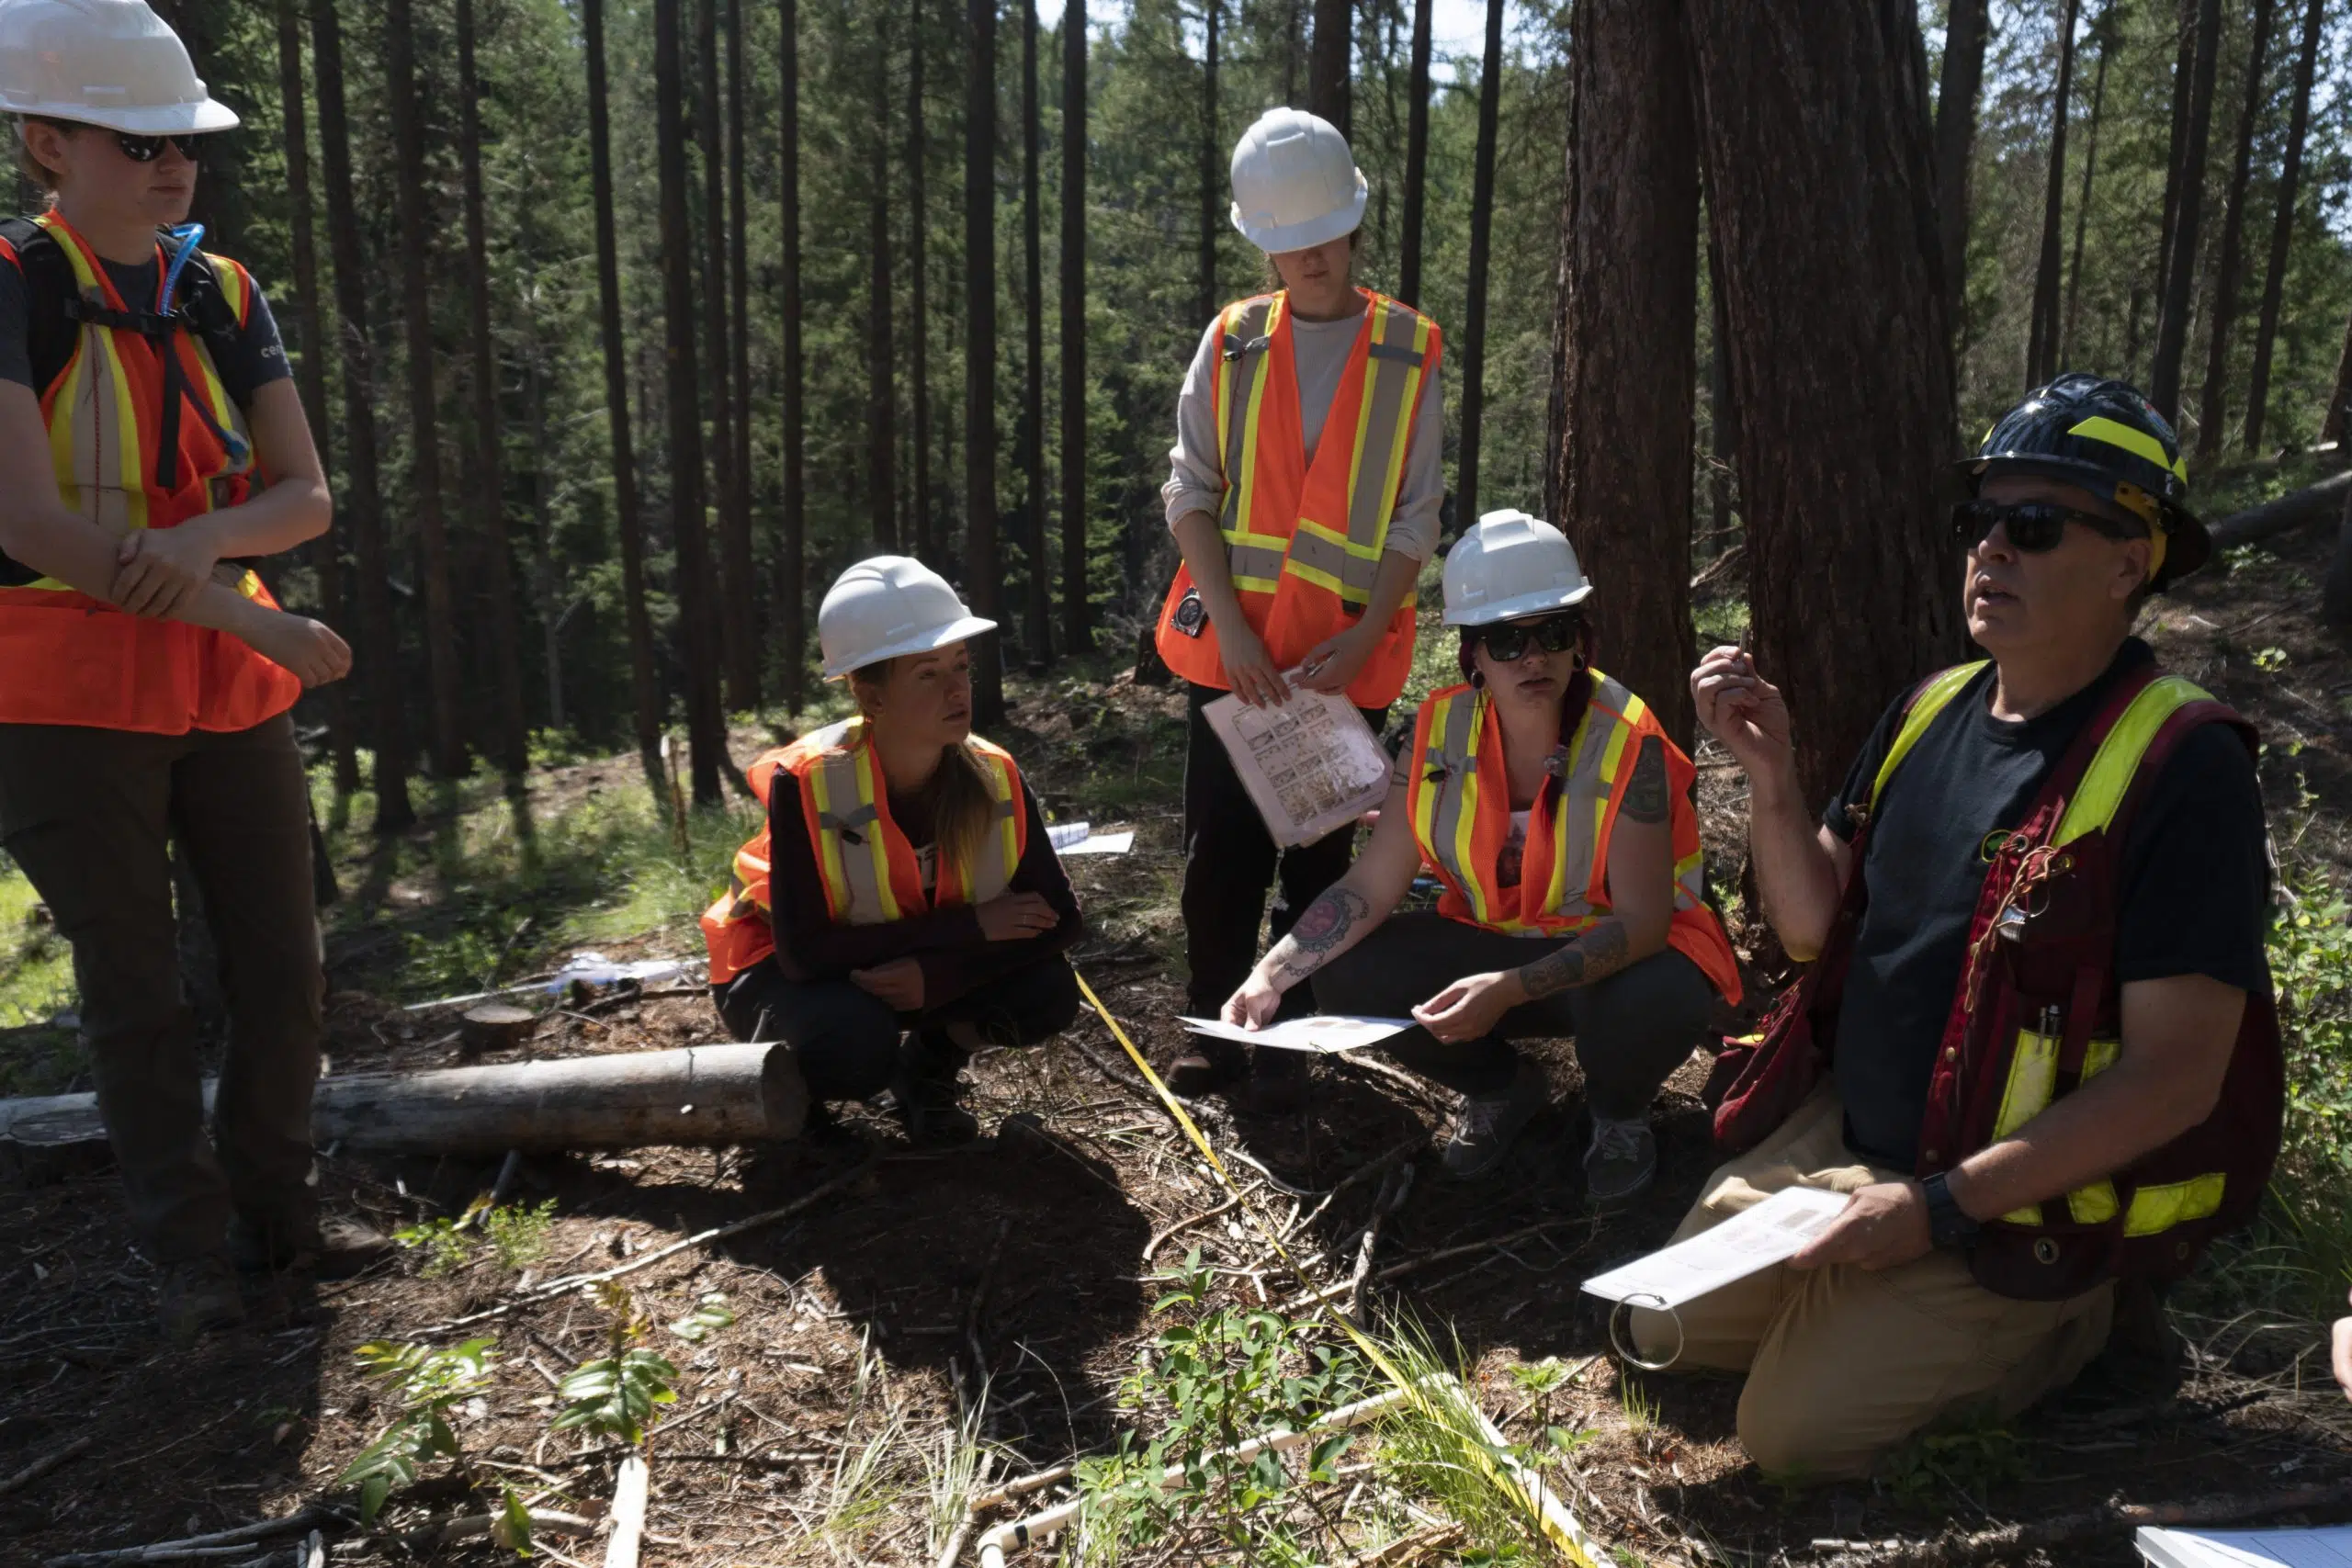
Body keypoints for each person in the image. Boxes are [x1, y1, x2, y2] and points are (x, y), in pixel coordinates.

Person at [1668, 374, 2279, 1482]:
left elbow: (2177, 1080)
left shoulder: (2182, 766)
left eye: (2033, 525)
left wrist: (1941, 1207)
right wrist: (1769, 777)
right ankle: (1864, 1281)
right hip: (1862, 1144)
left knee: (1791, 1438)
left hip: (2014, 1196)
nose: (1990, 549)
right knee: (1663, 1334)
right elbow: (1811, 929)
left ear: (2128, 562)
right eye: (1979, 522)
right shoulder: (1928, 709)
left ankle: (2075, 1321)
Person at [0, 0, 362, 1341]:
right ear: (45, 140)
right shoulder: (9, 280)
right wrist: (246, 609)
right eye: (135, 138)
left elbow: (306, 496)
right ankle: (190, 1257)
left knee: (283, 965)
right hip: (55, 690)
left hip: (219, 686)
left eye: (184, 143)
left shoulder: (221, 291)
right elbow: (27, 525)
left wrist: (209, 537)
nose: (170, 165)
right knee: (135, 984)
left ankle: (285, 1219)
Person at [1220, 512, 1743, 1198]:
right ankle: (1503, 1089)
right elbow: (1375, 883)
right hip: (1490, 947)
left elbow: (1646, 922)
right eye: (1506, 639)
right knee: (1345, 973)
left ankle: (1619, 1112)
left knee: (1663, 996)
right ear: (1474, 655)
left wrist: (1510, 989)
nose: (1533, 657)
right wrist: (1272, 972)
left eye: (1553, 633)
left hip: (1611, 963)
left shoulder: (1629, 741)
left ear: (1578, 642)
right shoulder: (1437, 733)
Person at [1155, 106, 1445, 1114]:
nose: (1309, 256)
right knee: (1219, 855)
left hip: (1340, 663)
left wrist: (1364, 635)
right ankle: (1210, 1030)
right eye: (1286, 242)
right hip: (1235, 661)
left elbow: (1415, 517)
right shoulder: (1231, 343)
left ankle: (1288, 1027)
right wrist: (1231, 630)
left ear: (1355, 224)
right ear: (1261, 244)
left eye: (1322, 234)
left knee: (1320, 856)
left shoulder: (1408, 351)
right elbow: (1189, 490)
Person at [700, 557, 1083, 1145]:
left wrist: (940, 974)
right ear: (869, 696)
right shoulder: (806, 781)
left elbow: (1060, 920)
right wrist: (969, 931)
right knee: (852, 1041)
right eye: (928, 674)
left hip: (892, 961)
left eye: (961, 665)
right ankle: (801, 1110)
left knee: (1048, 993)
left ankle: (926, 1072)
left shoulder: (995, 774)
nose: (958, 689)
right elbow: (805, 955)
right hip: (773, 972)